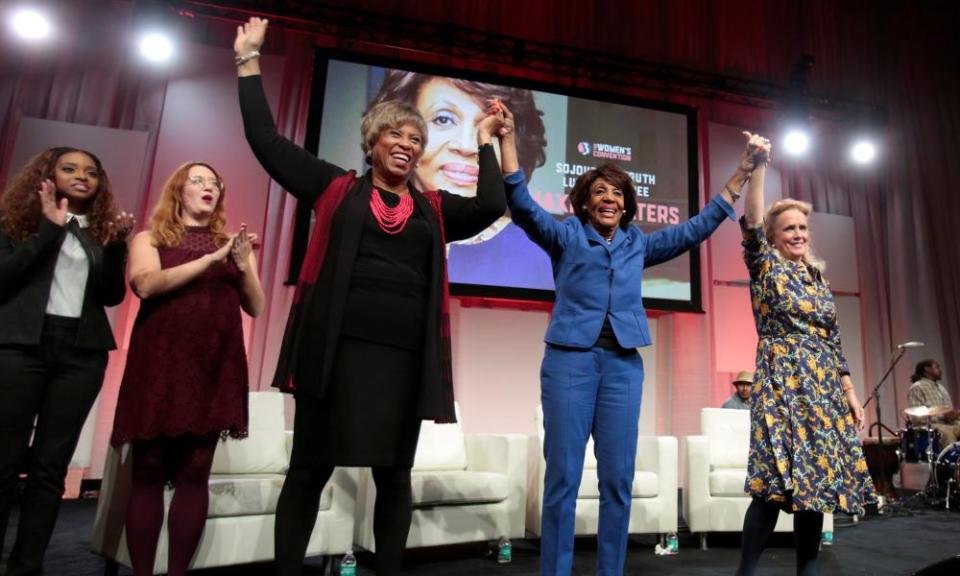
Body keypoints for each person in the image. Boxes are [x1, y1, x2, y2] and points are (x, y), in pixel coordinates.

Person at [234, 17, 507, 576]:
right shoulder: (336, 188)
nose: (406, 145)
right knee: (309, 469)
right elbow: (266, 141)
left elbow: (487, 206)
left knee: (394, 475)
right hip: (333, 354)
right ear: (372, 141)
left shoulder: (432, 208)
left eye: (414, 139)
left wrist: (487, 144)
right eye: (396, 136)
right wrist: (248, 61)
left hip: (403, 361)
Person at [497, 103, 756, 574]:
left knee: (618, 480)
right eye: (599, 191)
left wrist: (740, 174)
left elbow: (695, 228)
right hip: (570, 363)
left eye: (616, 192)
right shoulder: (567, 235)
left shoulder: (639, 242)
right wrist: (508, 140)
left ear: (627, 203)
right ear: (585, 201)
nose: (609, 198)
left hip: (622, 366)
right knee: (563, 479)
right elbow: (522, 206)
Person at [110, 162, 264, 575]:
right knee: (148, 470)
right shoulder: (150, 238)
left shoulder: (233, 244)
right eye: (198, 180)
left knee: (196, 472)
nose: (208, 186)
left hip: (216, 365)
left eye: (215, 182)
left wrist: (242, 262)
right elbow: (145, 285)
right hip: (160, 364)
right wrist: (212, 259)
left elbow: (257, 305)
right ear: (179, 190)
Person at [737, 136, 876, 576]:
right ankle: (745, 572)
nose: (797, 234)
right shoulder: (765, 266)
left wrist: (850, 393)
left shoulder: (817, 279)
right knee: (773, 485)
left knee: (816, 484)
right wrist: (760, 165)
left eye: (802, 228)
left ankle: (808, 573)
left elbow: (834, 341)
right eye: (789, 229)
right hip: (782, 381)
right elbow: (753, 220)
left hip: (823, 389)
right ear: (774, 237)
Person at [0, 147, 133, 575]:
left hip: (80, 354)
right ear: (46, 174)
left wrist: (117, 249)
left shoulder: (99, 231)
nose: (82, 177)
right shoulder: (14, 221)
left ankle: (27, 566)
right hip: (21, 347)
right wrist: (47, 232)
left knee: (49, 469)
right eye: (70, 169)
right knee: (4, 462)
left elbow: (112, 296)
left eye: (91, 172)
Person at [368, 69, 552, 289]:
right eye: (443, 119)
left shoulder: (537, 255)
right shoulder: (363, 216)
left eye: (490, 129)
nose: (466, 146)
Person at [907, 359, 960, 445]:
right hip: (931, 426)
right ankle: (950, 458)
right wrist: (942, 415)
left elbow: (949, 412)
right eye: (937, 367)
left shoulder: (941, 388)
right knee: (947, 433)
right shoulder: (917, 387)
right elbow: (917, 418)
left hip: (948, 424)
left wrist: (954, 415)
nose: (940, 370)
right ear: (927, 369)